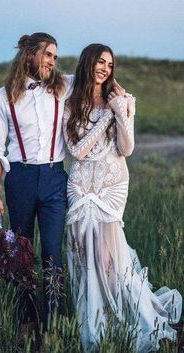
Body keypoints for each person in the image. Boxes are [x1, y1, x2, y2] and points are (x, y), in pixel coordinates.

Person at [63, 43, 182, 352]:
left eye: (110, 64)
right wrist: (105, 117)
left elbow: (127, 149)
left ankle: (127, 316)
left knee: (108, 258)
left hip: (112, 184)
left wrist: (121, 113)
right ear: (88, 63)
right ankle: (93, 320)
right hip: (79, 185)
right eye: (100, 62)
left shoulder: (122, 100)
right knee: (81, 253)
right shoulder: (71, 100)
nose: (105, 68)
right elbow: (76, 150)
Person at [0, 32, 74, 330]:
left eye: (55, 57)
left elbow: (93, 77)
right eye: (48, 54)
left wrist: (120, 92)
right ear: (30, 54)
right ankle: (26, 319)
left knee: (52, 251)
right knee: (22, 252)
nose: (53, 61)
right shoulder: (2, 97)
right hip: (19, 178)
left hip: (54, 178)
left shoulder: (64, 87)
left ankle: (53, 322)